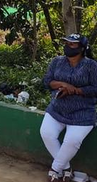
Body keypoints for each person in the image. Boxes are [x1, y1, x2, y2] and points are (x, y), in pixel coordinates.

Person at [40, 33, 97, 182]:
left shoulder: (91, 66)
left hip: (82, 113)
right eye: (66, 43)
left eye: (72, 44)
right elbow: (47, 81)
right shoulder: (57, 62)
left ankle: (55, 169)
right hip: (57, 109)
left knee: (72, 141)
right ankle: (66, 169)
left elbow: (95, 89)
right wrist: (64, 85)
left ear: (82, 48)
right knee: (46, 133)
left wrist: (77, 90)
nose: (68, 46)